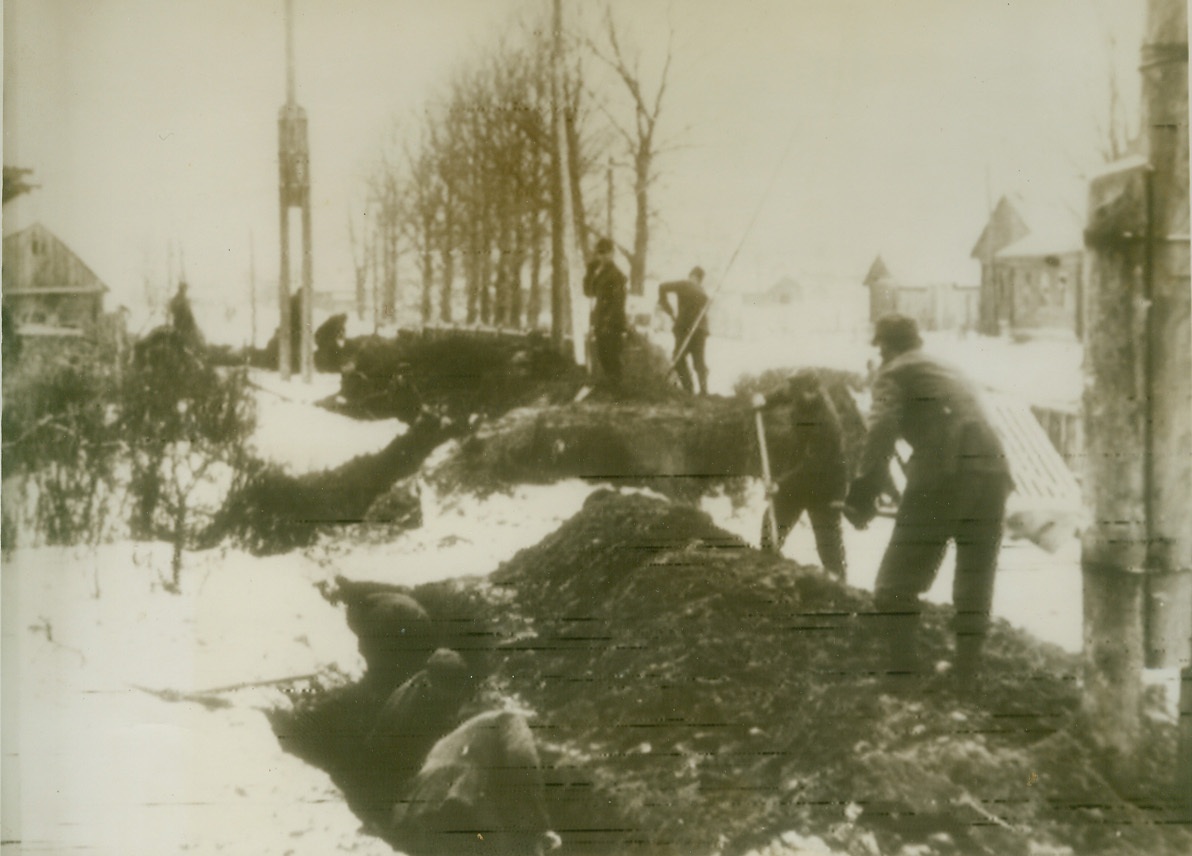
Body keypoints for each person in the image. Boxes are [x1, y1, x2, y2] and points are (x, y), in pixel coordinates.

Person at [843, 314, 1013, 696]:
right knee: (975, 580)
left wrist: (864, 490)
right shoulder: (946, 367)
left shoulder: (893, 372)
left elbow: (882, 429)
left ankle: (902, 677)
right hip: (994, 473)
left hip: (945, 475)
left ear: (884, 346)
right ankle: (966, 679)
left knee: (894, 583)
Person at [751, 370, 848, 578]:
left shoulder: (826, 422)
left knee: (828, 547)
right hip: (799, 474)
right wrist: (764, 400)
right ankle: (770, 572)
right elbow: (783, 392)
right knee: (772, 526)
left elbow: (814, 466)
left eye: (798, 392)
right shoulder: (800, 392)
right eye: (793, 390)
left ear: (813, 391)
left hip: (825, 484)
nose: (793, 396)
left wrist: (781, 484)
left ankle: (841, 589)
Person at [657, 266, 710, 395]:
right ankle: (703, 391)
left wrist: (665, 305)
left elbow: (662, 286)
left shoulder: (684, 284)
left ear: (692, 276)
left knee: (678, 358)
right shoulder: (704, 294)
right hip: (700, 330)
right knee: (699, 361)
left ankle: (688, 388)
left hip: (685, 328)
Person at [582, 238, 628, 385]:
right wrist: (589, 271)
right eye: (600, 253)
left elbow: (618, 302)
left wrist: (608, 322)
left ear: (612, 253)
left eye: (605, 253)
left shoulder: (616, 275)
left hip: (612, 322)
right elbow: (588, 292)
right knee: (603, 355)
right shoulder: (600, 274)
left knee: (612, 356)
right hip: (600, 321)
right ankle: (611, 388)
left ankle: (617, 391)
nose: (602, 257)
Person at [168, 280, 201, 345]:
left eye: (185, 289)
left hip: (182, 322)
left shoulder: (179, 299)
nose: (185, 291)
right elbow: (174, 309)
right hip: (182, 323)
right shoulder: (179, 299)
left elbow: (172, 309)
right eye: (184, 289)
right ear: (182, 289)